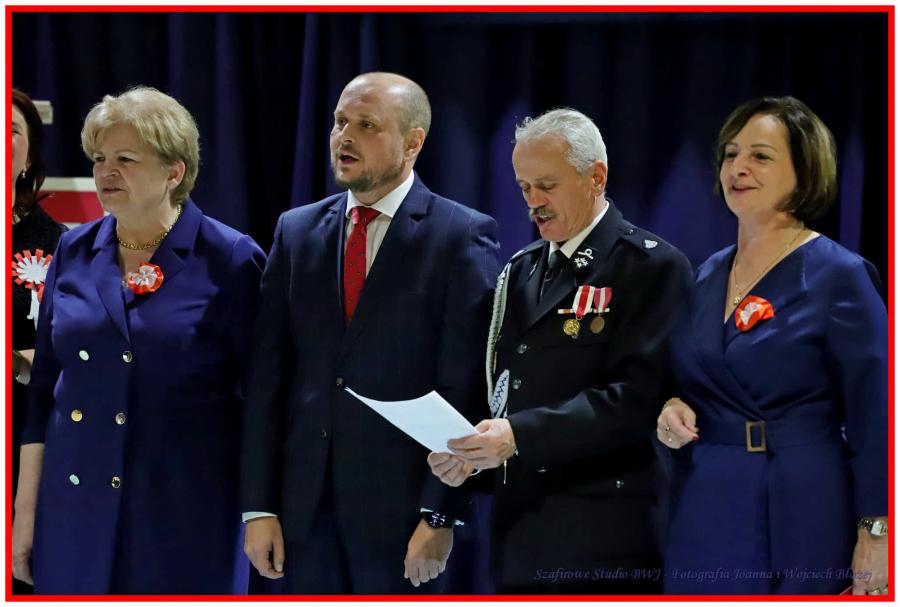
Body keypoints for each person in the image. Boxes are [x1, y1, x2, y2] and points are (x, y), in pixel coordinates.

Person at [239, 72, 500, 594]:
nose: (345, 136)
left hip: (401, 519)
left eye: (366, 125)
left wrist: (439, 515)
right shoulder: (295, 231)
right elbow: (268, 378)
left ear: (413, 142)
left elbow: (466, 385)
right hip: (300, 516)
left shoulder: (460, 234)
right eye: (340, 122)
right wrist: (259, 507)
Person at [429, 108, 692, 593]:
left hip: (605, 532)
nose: (534, 202)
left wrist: (516, 436)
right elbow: (505, 393)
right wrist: (472, 457)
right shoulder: (521, 270)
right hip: (518, 528)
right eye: (524, 187)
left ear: (596, 177)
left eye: (546, 186)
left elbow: (636, 399)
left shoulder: (650, 267)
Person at [16, 86, 265, 594]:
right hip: (74, 509)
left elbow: (264, 401)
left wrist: (261, 512)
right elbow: (43, 392)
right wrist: (25, 516)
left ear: (174, 172)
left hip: (184, 514)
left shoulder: (231, 258)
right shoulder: (73, 249)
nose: (106, 172)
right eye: (99, 158)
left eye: (125, 160)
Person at [657, 96, 887, 595]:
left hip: (800, 501)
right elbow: (687, 377)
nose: (737, 168)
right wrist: (672, 405)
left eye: (760, 156)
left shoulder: (839, 275)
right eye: (730, 154)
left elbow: (878, 414)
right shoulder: (707, 273)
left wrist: (878, 530)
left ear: (803, 173)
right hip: (706, 500)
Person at [10, 88, 66, 595]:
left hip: (24, 441)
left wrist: (19, 360)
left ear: (28, 160)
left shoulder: (60, 245)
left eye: (11, 131)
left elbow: (67, 357)